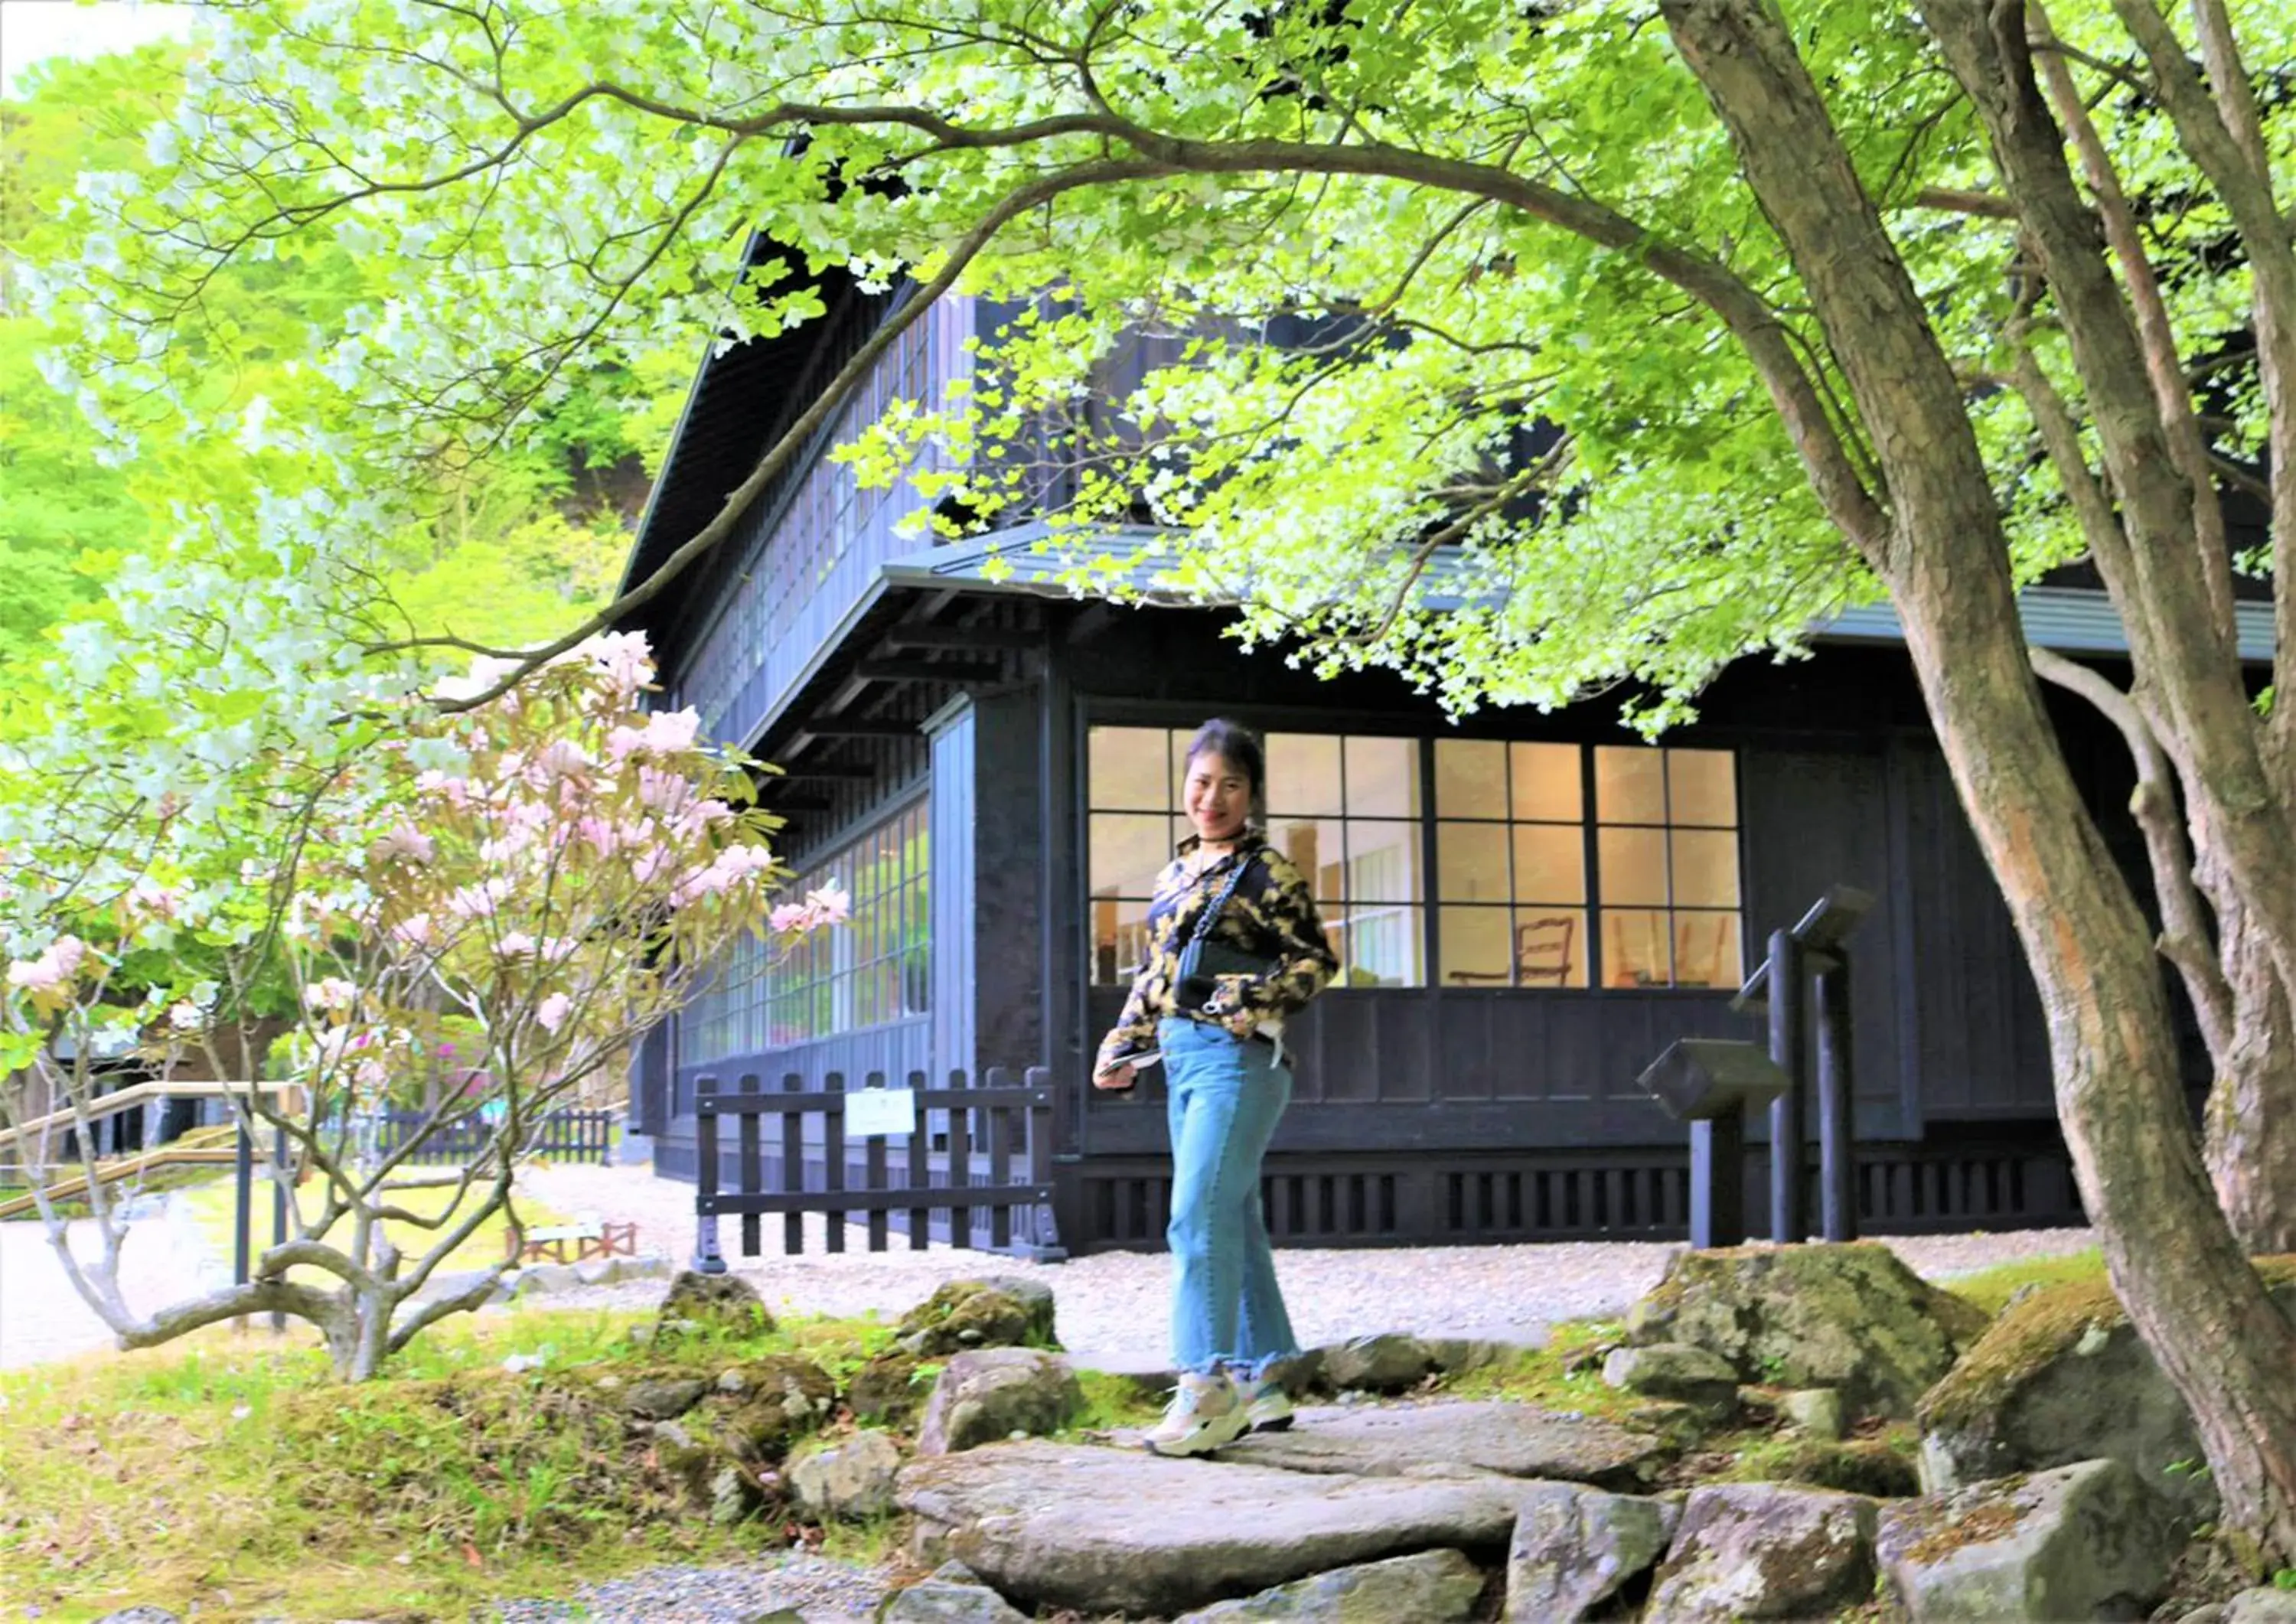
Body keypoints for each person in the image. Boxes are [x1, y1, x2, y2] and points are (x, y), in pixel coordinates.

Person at [1094, 719, 1339, 1456]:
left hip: (1239, 1060)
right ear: (1186, 788)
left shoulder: (1269, 872)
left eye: (1231, 784)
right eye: (1202, 782)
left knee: (1195, 1214)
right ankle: (1264, 1379)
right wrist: (1123, 1044)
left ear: (1250, 794)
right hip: (1179, 1058)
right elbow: (1156, 977)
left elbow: (1315, 962)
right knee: (1233, 1216)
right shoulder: (1172, 877)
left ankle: (1206, 1390)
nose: (1213, 797)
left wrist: (1250, 999)